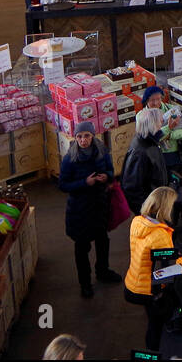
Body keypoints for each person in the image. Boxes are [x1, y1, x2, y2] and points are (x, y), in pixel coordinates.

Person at [58, 121, 122, 299]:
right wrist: (84, 183)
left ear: (93, 136)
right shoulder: (70, 158)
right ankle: (85, 283)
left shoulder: (102, 153)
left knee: (103, 240)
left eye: (86, 135)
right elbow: (63, 185)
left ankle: (103, 270)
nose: (83, 140)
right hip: (79, 210)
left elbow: (111, 170)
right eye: (79, 136)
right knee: (81, 247)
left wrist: (106, 177)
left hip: (99, 205)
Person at [123, 186, 178, 351]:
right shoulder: (160, 235)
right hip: (147, 290)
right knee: (157, 324)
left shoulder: (138, 221)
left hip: (132, 283)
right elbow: (169, 267)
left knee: (153, 320)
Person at [121, 107, 170, 213]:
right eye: (159, 122)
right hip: (149, 208)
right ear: (151, 125)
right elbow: (131, 188)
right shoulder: (140, 152)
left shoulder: (151, 142)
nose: (162, 125)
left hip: (157, 201)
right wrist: (146, 210)